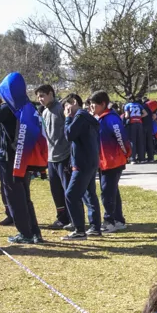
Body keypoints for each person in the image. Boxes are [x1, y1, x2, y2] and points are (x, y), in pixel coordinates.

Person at [0, 73, 48, 245]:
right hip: (23, 159)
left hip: (8, 159)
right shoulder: (27, 106)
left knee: (14, 198)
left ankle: (25, 233)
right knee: (24, 196)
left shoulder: (7, 109)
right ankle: (35, 233)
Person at [62, 93, 102, 239]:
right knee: (89, 194)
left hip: (82, 163)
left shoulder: (79, 117)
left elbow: (69, 135)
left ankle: (79, 230)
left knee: (71, 195)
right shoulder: (88, 118)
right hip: (91, 161)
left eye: (66, 105)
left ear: (73, 102)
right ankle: (95, 227)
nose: (65, 109)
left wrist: (67, 118)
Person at [92, 92, 131, 232]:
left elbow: (121, 137)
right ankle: (118, 219)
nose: (91, 107)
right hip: (104, 161)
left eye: (94, 105)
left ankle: (109, 221)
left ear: (102, 104)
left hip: (113, 161)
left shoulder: (111, 119)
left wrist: (126, 153)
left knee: (107, 192)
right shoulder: (100, 118)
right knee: (112, 191)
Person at [37, 84, 72, 230]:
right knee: (55, 191)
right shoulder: (44, 112)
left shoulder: (60, 109)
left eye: (42, 96)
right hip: (51, 158)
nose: (40, 99)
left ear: (51, 93)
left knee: (68, 190)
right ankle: (61, 218)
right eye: (38, 97)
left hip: (64, 156)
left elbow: (69, 130)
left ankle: (73, 218)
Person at [123, 97, 147, 163]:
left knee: (132, 141)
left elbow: (127, 116)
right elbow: (145, 113)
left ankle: (132, 158)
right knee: (140, 140)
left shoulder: (127, 105)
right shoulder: (139, 105)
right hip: (139, 123)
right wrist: (139, 117)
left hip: (132, 123)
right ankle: (141, 158)